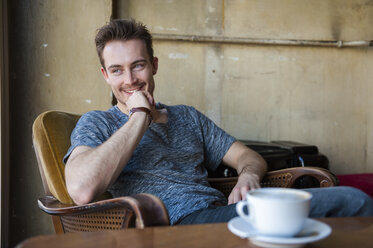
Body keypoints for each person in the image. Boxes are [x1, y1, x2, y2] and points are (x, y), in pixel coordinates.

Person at [64, 19, 373, 225]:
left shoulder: (187, 116)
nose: (130, 80)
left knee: (346, 207)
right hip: (176, 226)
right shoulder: (98, 123)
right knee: (353, 201)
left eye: (138, 66)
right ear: (105, 76)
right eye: (117, 70)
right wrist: (139, 115)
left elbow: (246, 156)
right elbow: (81, 189)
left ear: (154, 66)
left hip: (222, 212)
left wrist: (248, 176)